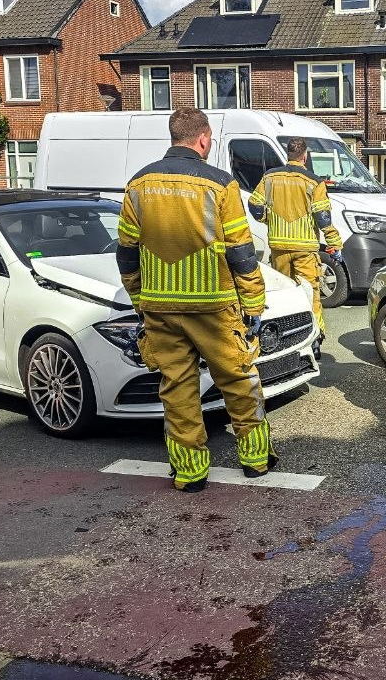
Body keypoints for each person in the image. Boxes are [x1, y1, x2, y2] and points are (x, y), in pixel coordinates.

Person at [117, 108, 275, 490]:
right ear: (204, 139)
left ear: (173, 136)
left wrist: (140, 300)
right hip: (214, 306)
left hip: (160, 308)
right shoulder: (220, 184)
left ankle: (189, 472)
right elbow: (241, 253)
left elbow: (126, 252)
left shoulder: (138, 184)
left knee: (178, 388)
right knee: (238, 379)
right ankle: (255, 459)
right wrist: (253, 303)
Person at [247, 136, 341, 333]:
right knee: (309, 293)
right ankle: (315, 335)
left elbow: (255, 205)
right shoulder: (314, 182)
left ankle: (284, 336)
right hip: (305, 250)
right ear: (304, 156)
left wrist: (268, 219)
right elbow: (322, 217)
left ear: (288, 154)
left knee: (283, 295)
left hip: (279, 248)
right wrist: (335, 244)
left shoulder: (270, 177)